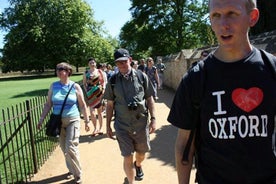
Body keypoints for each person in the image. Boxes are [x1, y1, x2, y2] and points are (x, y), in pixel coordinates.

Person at [167, 0, 276, 183]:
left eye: (232, 14)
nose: (223, 25)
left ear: (253, 17)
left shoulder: (271, 70)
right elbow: (184, 144)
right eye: (216, 16)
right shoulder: (195, 79)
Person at [104, 48, 157, 184]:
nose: (122, 65)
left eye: (124, 61)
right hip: (122, 126)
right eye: (119, 63)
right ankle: (130, 181)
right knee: (127, 156)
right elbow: (110, 105)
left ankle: (138, 165)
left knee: (141, 154)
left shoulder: (141, 77)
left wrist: (154, 119)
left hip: (140, 124)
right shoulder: (113, 81)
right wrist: (108, 125)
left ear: (130, 60)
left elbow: (150, 99)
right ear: (116, 64)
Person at [37, 62, 90, 184]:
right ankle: (71, 169)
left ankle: (78, 174)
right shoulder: (53, 86)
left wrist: (87, 121)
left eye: (62, 69)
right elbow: (48, 104)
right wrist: (41, 119)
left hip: (73, 119)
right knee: (64, 148)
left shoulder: (75, 86)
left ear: (68, 71)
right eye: (57, 69)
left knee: (70, 147)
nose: (59, 71)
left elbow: (82, 105)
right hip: (58, 122)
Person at [83, 58, 106, 136]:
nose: (92, 64)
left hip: (99, 93)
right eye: (90, 63)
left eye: (93, 62)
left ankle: (100, 128)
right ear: (88, 64)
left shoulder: (100, 72)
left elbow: (103, 81)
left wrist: (103, 89)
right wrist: (87, 91)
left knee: (99, 112)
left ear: (95, 63)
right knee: (92, 112)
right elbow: (84, 83)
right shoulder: (86, 73)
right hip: (90, 93)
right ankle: (95, 128)